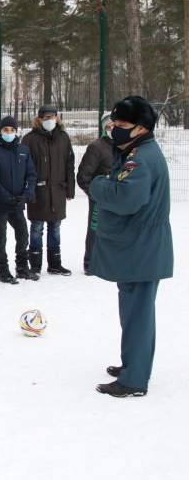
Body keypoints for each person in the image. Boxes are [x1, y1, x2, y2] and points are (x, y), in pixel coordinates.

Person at [89, 96, 172, 398]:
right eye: (113, 124)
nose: (114, 130)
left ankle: (134, 380)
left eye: (121, 125)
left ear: (141, 128)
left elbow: (125, 198)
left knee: (137, 316)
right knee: (133, 313)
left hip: (140, 249)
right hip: (138, 247)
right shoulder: (136, 152)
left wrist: (98, 184)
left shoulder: (142, 158)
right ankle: (131, 366)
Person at [20, 104, 75, 276]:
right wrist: (29, 191)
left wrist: (69, 189)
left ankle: (55, 264)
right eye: (46, 117)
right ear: (39, 119)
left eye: (52, 117)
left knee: (55, 227)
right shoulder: (30, 139)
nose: (50, 120)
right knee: (36, 227)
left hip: (58, 190)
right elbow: (24, 169)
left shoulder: (63, 138)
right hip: (38, 192)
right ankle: (35, 265)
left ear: (58, 118)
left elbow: (69, 164)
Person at [0, 116, 38, 284]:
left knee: (23, 235)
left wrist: (25, 196)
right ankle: (3, 270)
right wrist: (7, 198)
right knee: (0, 238)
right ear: (0, 131)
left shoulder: (23, 150)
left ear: (16, 131)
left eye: (12, 130)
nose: (9, 133)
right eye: (5, 130)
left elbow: (31, 175)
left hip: (18, 203)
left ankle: (22, 268)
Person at [77, 113, 114, 275]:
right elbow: (83, 176)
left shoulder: (127, 147)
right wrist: (95, 194)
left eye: (115, 126)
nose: (113, 130)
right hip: (99, 197)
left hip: (119, 197)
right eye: (109, 127)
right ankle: (90, 262)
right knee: (95, 229)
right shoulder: (97, 147)